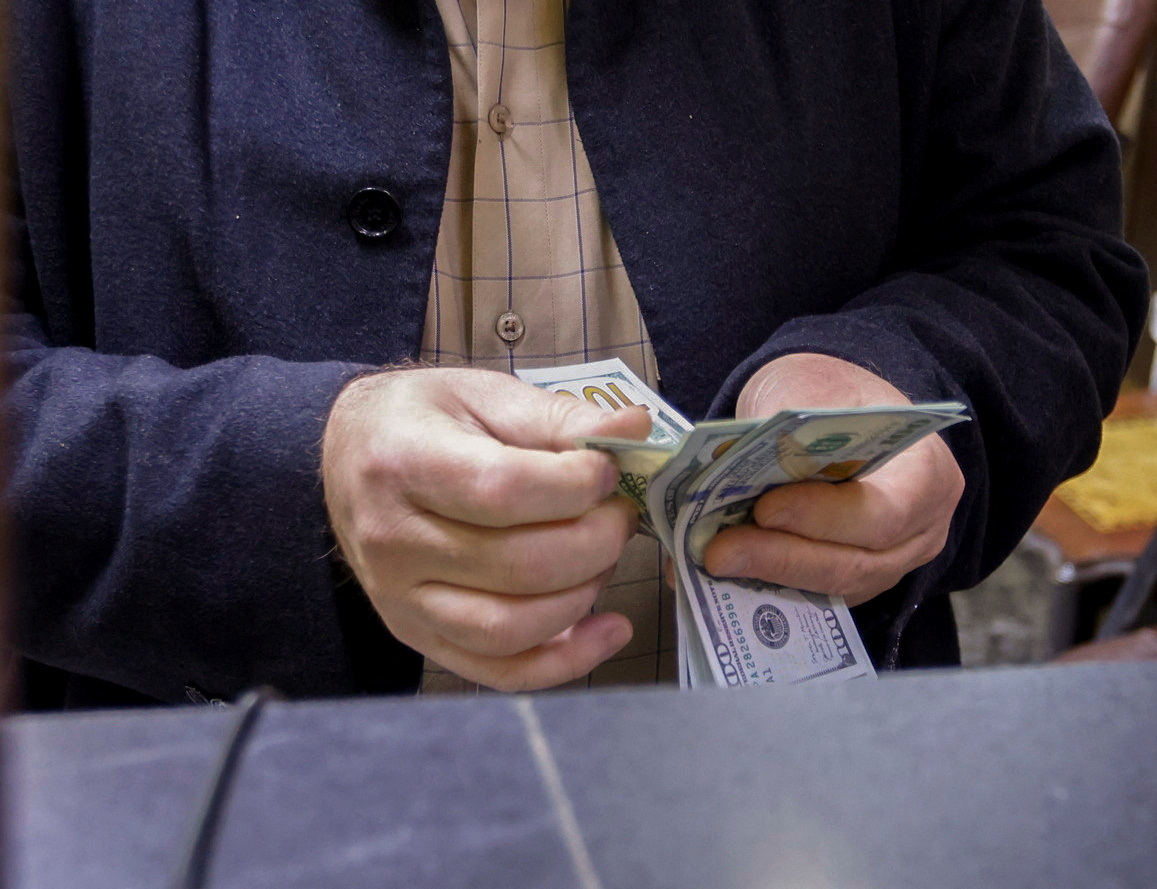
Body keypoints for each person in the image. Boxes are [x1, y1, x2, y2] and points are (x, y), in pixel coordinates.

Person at [5, 0, 1148, 706]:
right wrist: (287, 482)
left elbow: (1046, 250)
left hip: (797, 809)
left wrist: (900, 368)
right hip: (224, 815)